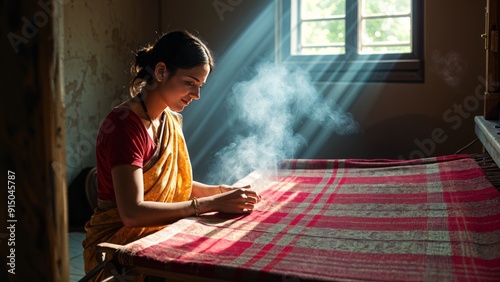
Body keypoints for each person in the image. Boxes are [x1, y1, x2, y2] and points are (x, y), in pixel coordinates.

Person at [82, 30, 261, 279]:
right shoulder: (124, 125)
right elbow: (132, 213)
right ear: (161, 71)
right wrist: (209, 204)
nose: (196, 95)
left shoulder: (169, 119)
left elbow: (177, 187)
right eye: (190, 83)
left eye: (200, 86)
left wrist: (221, 192)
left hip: (157, 235)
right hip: (118, 249)